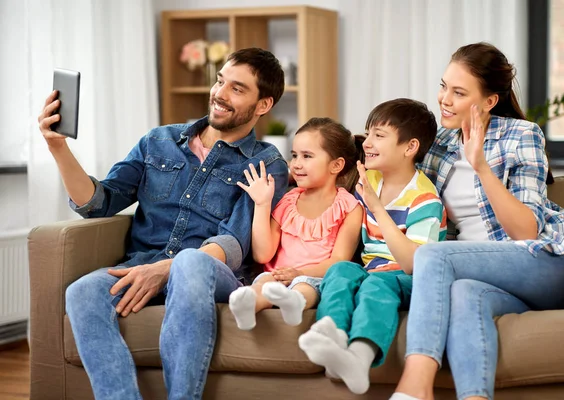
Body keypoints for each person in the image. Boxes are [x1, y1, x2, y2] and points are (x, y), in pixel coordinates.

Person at [37, 47, 290, 400]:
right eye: (220, 81)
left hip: (209, 273)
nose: (219, 94)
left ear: (263, 105)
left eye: (237, 88)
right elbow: (100, 203)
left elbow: (234, 244)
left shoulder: (267, 162)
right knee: (81, 292)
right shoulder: (159, 141)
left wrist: (166, 270)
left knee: (189, 262)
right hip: (143, 264)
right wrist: (57, 148)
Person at [392, 42, 564, 400]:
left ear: (488, 101)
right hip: (486, 276)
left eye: (458, 92)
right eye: (443, 86)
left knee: (434, 255)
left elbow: (526, 232)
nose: (444, 99)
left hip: (551, 263)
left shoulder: (522, 134)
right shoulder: (438, 142)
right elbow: (401, 183)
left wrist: (481, 165)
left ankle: (415, 386)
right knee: (464, 292)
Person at [298, 99, 447, 395]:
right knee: (340, 270)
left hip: (410, 278)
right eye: (368, 134)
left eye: (379, 135)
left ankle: (360, 357)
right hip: (372, 270)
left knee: (377, 284)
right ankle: (333, 338)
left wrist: (377, 209)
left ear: (409, 147)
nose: (368, 143)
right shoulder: (371, 178)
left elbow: (413, 264)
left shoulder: (425, 200)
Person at [228, 117, 364, 330]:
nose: (296, 164)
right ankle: (248, 306)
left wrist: (299, 274)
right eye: (294, 156)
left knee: (305, 288)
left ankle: (292, 303)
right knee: (264, 282)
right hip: (276, 276)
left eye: (307, 156)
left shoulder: (350, 207)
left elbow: (339, 261)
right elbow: (263, 255)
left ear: (336, 165)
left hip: (314, 278)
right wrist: (262, 204)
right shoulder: (288, 201)